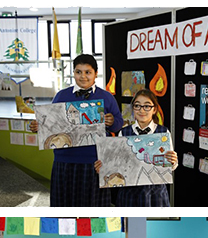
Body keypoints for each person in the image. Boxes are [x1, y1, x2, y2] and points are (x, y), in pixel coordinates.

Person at [30, 54, 123, 207]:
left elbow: (118, 124)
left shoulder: (106, 97)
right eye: (78, 72)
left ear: (95, 73)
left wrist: (112, 121)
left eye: (88, 72)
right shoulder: (61, 95)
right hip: (65, 160)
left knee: (94, 208)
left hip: (95, 161)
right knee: (65, 206)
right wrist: (40, 127)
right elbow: (51, 125)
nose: (83, 76)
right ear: (73, 73)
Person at [95, 89, 178, 206]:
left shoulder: (163, 132)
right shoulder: (124, 133)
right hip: (129, 193)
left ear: (154, 109)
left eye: (147, 106)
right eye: (137, 106)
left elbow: (170, 166)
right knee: (130, 224)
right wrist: (104, 168)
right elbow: (117, 164)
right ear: (133, 109)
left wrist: (173, 161)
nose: (141, 110)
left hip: (155, 192)